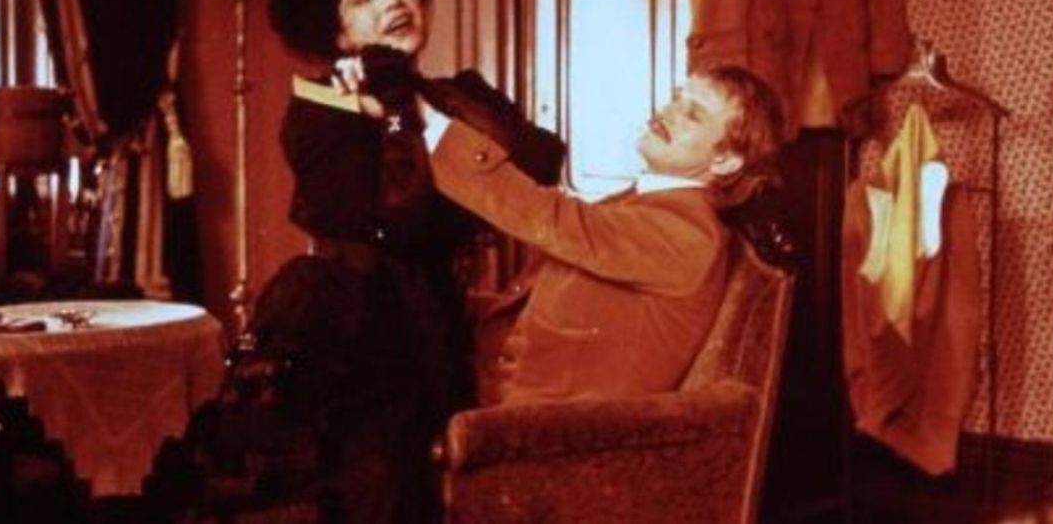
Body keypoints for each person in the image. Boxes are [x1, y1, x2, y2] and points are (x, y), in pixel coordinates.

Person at [141, 0, 563, 524]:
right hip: (347, 343)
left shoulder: (456, 95)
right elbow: (405, 218)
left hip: (433, 331)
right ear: (338, 32)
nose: (392, 1)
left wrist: (416, 110)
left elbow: (539, 163)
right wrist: (394, 111)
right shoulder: (322, 110)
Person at [335, 63, 784, 404]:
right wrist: (395, 117)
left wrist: (421, 120)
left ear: (725, 160)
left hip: (544, 430)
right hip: (503, 390)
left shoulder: (689, 234)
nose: (668, 111)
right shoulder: (647, 202)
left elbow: (550, 217)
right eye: (676, 98)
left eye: (693, 115)